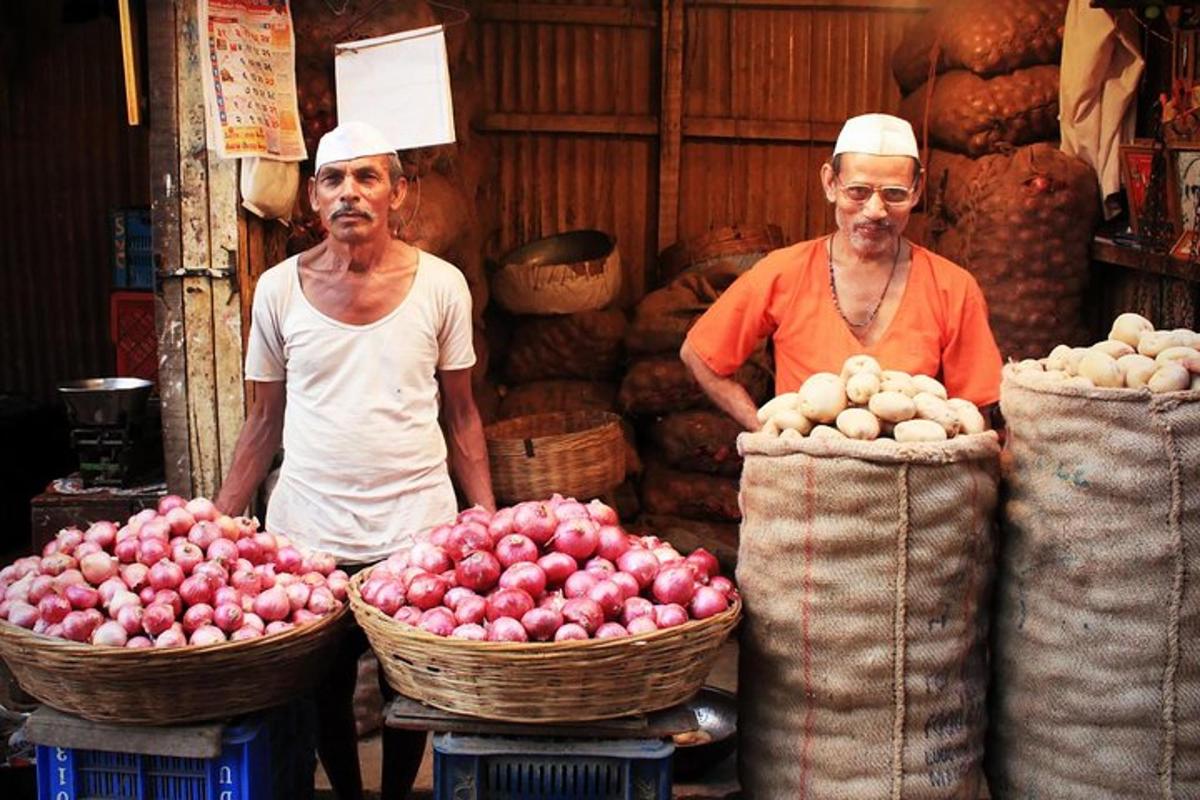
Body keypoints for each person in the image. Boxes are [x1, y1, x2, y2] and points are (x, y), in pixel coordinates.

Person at [214, 120, 495, 799]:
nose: (350, 194)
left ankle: (395, 794)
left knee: (411, 688)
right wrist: (215, 523)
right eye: (335, 180)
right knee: (321, 690)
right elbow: (262, 420)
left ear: (400, 193)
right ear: (313, 197)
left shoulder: (442, 286)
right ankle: (344, 791)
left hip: (416, 531)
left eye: (368, 178)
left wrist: (487, 518)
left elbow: (461, 413)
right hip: (308, 533)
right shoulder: (279, 290)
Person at [680, 113, 1002, 429]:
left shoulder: (953, 288)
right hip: (804, 476)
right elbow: (699, 355)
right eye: (858, 191)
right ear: (830, 183)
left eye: (895, 194)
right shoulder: (783, 272)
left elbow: (975, 412)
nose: (875, 211)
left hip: (912, 479)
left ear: (916, 192)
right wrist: (764, 430)